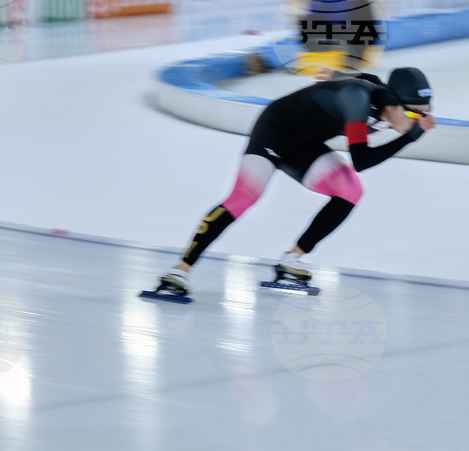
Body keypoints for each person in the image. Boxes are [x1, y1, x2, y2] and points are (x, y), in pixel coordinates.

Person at [148, 67, 436, 298]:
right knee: (244, 197)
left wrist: (333, 75)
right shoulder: (358, 99)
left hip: (305, 143)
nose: (418, 119)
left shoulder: (385, 98)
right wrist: (411, 136)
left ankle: (291, 260)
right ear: (392, 102)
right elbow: (360, 159)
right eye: (412, 113)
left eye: (424, 112)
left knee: (350, 191)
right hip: (276, 130)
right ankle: (179, 270)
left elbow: (365, 77)